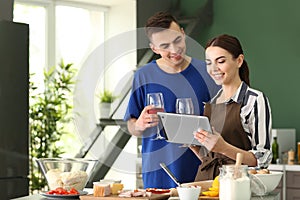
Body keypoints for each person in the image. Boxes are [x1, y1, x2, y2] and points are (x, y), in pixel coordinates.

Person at [123, 11, 219, 188]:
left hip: (202, 173)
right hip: (157, 175)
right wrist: (139, 125)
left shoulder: (207, 72)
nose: (174, 50)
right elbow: (131, 125)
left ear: (183, 33)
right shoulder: (144, 75)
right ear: (154, 48)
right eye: (165, 46)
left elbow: (223, 123)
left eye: (177, 40)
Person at [190, 34, 272, 181]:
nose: (214, 68)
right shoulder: (211, 103)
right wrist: (196, 148)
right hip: (207, 182)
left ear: (239, 61)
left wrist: (224, 147)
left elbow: (262, 159)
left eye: (220, 61)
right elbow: (211, 158)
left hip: (237, 183)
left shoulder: (254, 99)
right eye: (209, 63)